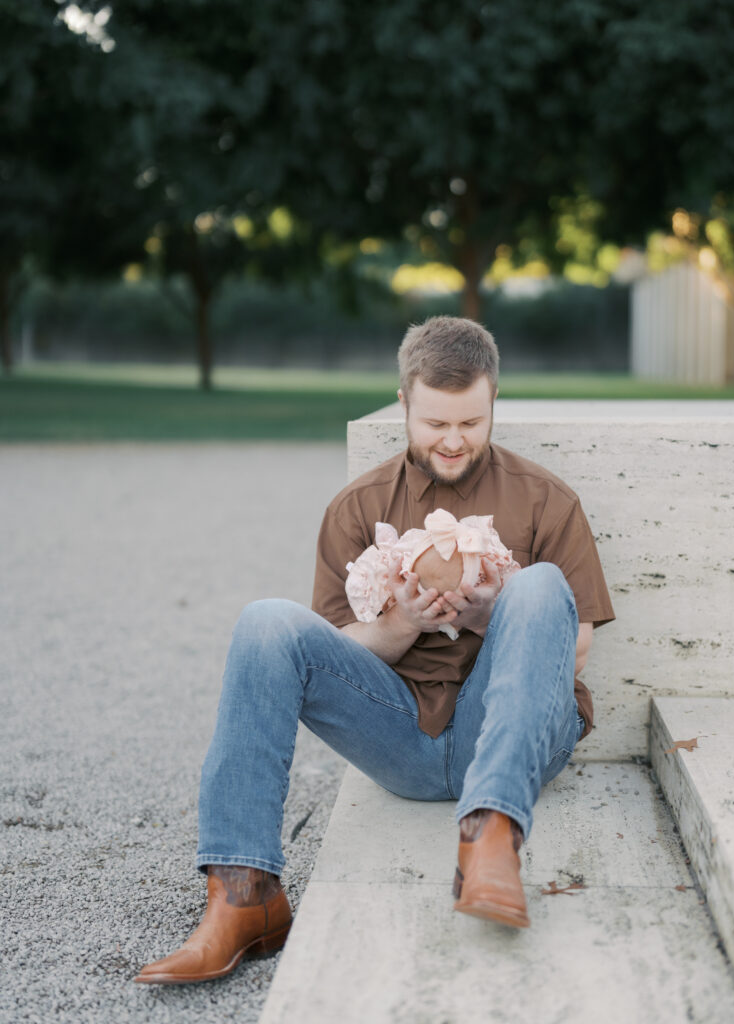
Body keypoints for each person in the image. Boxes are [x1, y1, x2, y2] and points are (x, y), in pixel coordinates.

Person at [134, 315, 615, 986]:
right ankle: (244, 895)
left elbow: (574, 656)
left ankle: (492, 839)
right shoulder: (357, 508)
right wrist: (400, 625)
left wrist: (487, 613)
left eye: (470, 423)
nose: (452, 440)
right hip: (401, 736)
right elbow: (329, 655)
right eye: (434, 423)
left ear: (492, 403)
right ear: (403, 405)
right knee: (264, 622)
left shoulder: (546, 500)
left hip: (511, 735)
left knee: (537, 585)